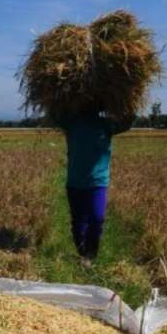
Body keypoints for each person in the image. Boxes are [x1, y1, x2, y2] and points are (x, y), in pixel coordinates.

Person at [59, 108, 135, 266]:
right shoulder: (71, 123)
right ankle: (82, 252)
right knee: (78, 221)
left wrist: (126, 101)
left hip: (98, 182)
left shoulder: (106, 124)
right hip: (75, 182)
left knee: (97, 217)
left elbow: (128, 121)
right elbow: (54, 114)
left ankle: (90, 253)